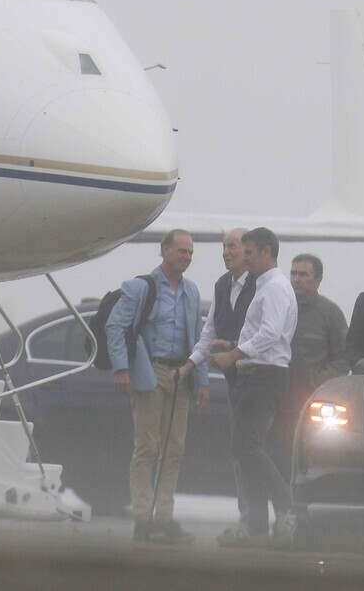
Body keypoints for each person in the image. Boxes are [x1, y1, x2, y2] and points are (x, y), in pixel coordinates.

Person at [189, 227, 298, 548]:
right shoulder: (262, 285)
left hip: (264, 374)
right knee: (246, 449)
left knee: (247, 447)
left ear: (266, 252)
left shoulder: (275, 287)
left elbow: (271, 334)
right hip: (254, 373)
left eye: (248, 252)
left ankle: (285, 506)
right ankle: (257, 526)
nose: (243, 258)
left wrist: (233, 354)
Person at [105, 229, 210, 543]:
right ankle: (143, 516)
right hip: (150, 370)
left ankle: (164, 518)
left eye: (190, 253)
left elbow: (199, 337)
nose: (186, 258)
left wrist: (201, 381)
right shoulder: (141, 287)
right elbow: (115, 325)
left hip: (182, 373)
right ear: (165, 251)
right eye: (181, 251)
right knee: (147, 447)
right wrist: (122, 368)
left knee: (173, 450)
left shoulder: (191, 291)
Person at [181, 228, 256, 543]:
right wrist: (189, 365)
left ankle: (276, 520)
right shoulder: (222, 285)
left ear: (248, 250)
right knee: (241, 452)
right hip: (235, 382)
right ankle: (249, 522)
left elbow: (271, 335)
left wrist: (234, 346)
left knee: (261, 451)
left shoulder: (264, 284)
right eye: (224, 246)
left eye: (233, 246)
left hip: (262, 381)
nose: (226, 252)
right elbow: (208, 333)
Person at [268, 253, 350, 483]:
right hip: (275, 403)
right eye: (293, 273)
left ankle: (298, 513)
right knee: (275, 461)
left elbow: (343, 360)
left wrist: (315, 383)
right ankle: (280, 513)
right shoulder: (278, 307)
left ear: (318, 279)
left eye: (303, 274)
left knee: (304, 464)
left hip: (309, 408)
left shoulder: (330, 314)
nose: (296, 279)